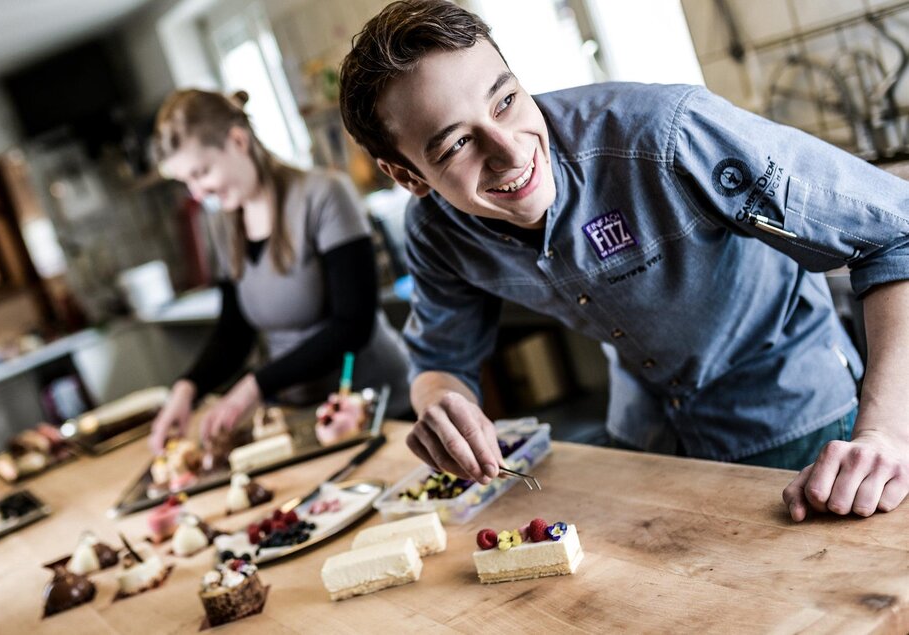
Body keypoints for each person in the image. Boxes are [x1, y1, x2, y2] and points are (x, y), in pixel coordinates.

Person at [337, 0, 909, 522]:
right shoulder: (436, 230)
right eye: (456, 144)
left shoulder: (665, 133)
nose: (510, 151)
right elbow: (441, 360)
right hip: (651, 443)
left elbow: (895, 235)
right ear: (408, 175)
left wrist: (885, 434)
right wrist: (441, 402)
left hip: (800, 426)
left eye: (506, 101)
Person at [147, 89, 411, 454]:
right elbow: (234, 330)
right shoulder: (222, 225)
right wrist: (187, 389)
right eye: (186, 182)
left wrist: (254, 387)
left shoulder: (324, 195)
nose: (198, 192)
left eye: (202, 173)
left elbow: (354, 323)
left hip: (379, 409)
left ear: (238, 141)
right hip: (302, 418)